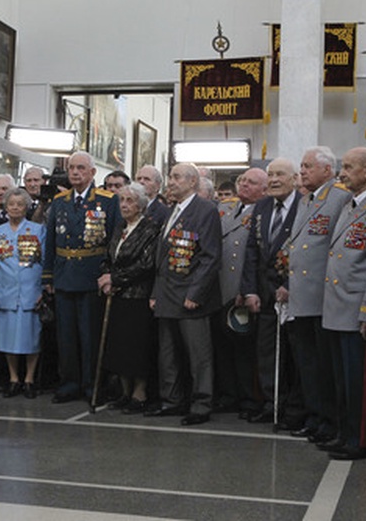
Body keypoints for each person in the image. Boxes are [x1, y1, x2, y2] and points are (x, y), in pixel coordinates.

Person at [320, 147, 366, 461]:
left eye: (349, 167)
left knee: (359, 381)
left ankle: (361, 439)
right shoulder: (350, 206)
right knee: (342, 380)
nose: (342, 173)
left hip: (356, 308)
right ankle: (344, 432)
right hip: (337, 307)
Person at [284, 147, 351, 443]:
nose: (303, 172)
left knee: (324, 367)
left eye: (308, 166)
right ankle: (314, 416)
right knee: (307, 365)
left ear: (327, 169)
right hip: (302, 295)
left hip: (324, 296)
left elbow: (338, 247)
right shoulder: (305, 200)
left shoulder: (339, 197)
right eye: (301, 166)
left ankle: (330, 420)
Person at [42, 151, 120, 403]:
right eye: (71, 168)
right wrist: (48, 277)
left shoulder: (108, 201)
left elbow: (113, 240)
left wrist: (109, 272)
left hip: (91, 275)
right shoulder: (60, 201)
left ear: (92, 172)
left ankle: (91, 384)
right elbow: (51, 242)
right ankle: (69, 382)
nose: (75, 172)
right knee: (66, 335)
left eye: (80, 168)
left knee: (89, 335)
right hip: (64, 275)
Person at [147, 162, 221, 426]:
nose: (171, 181)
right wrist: (156, 292)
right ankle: (172, 400)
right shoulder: (172, 211)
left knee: (198, 354)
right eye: (170, 176)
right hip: (167, 292)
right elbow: (163, 257)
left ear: (192, 182)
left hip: (191, 295)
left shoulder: (206, 211)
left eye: (177, 177)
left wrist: (196, 293)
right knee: (167, 352)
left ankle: (201, 404)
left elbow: (211, 257)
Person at [240, 159, 302, 426]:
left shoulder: (305, 204)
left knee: (295, 356)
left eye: (280, 174)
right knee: (266, 353)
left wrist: (290, 284)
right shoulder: (262, 207)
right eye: (271, 174)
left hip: (293, 295)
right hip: (264, 295)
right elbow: (252, 251)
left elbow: (306, 251)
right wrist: (250, 289)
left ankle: (294, 408)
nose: (274, 179)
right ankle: (270, 402)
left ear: (295, 178)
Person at [97, 182, 159, 413]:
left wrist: (115, 278)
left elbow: (145, 265)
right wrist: (105, 274)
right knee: (119, 345)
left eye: (130, 201)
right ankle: (124, 391)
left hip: (138, 296)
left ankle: (139, 393)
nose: (124, 205)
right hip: (116, 296)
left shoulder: (150, 229)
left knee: (136, 346)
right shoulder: (120, 227)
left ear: (141, 205)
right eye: (122, 200)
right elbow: (108, 256)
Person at [214, 167, 267, 419]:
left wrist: (246, 289)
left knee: (245, 349)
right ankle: (228, 395)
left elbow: (256, 257)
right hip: (220, 287)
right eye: (242, 180)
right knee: (223, 347)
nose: (243, 185)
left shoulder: (263, 212)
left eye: (251, 182)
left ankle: (249, 398)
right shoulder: (225, 208)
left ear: (264, 189)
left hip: (241, 289)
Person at [0, 188, 45, 399]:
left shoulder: (38, 230)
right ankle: (13, 378)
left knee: (32, 338)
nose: (15, 208)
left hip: (32, 292)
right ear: (5, 206)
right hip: (6, 292)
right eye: (12, 204)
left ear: (26, 207)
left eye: (20, 204)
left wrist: (44, 290)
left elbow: (45, 262)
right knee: (8, 338)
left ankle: (28, 379)